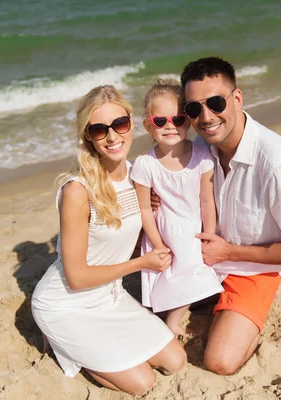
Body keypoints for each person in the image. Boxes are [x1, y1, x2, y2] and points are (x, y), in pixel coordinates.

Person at [31, 85, 186, 396]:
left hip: (109, 297)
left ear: (132, 123)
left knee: (176, 361)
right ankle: (61, 341)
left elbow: (127, 232)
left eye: (120, 124)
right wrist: (141, 263)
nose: (113, 137)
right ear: (89, 136)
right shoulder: (78, 191)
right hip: (67, 304)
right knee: (143, 383)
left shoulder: (138, 174)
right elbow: (76, 278)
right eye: (100, 129)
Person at [180, 57, 281, 375]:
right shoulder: (203, 149)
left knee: (219, 361)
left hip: (255, 269)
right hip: (208, 260)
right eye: (193, 109)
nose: (206, 117)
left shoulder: (275, 161)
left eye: (215, 103)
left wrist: (228, 252)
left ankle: (253, 322)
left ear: (237, 99)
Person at [130, 80, 224, 336]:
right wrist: (157, 243)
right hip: (164, 231)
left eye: (179, 119)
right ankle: (172, 319)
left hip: (193, 227)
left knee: (195, 270)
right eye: (161, 121)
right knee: (174, 278)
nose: (170, 126)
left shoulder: (202, 154)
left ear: (188, 121)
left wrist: (210, 233)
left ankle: (178, 314)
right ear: (149, 125)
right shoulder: (144, 165)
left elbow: (207, 200)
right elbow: (145, 210)